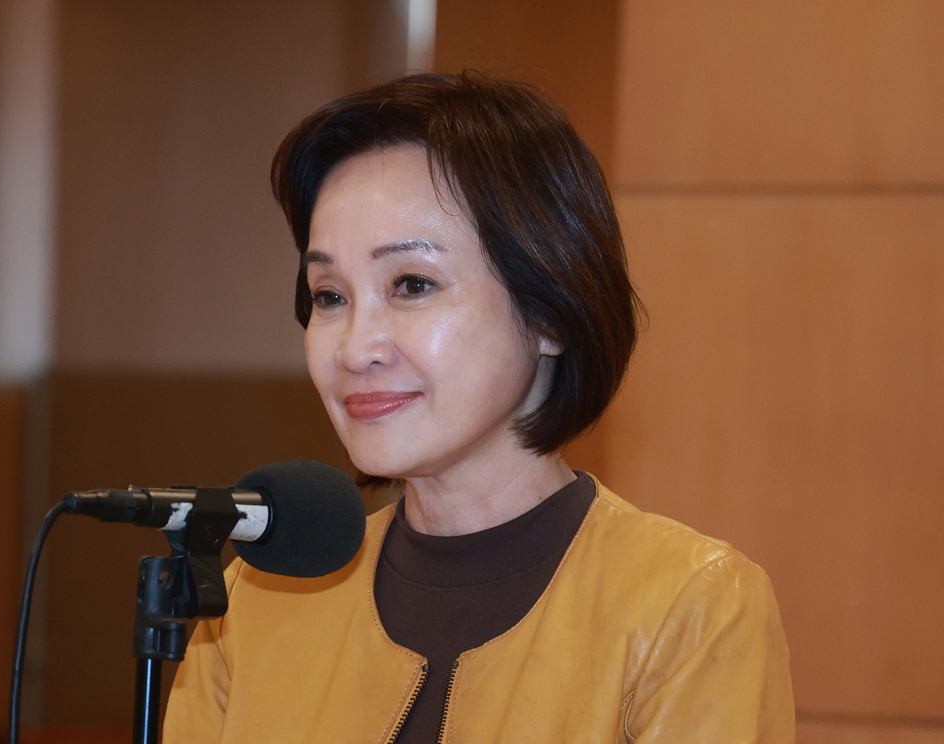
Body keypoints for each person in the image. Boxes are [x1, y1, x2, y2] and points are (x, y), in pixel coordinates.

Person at [163, 72, 794, 743]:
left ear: (551, 311)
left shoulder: (689, 605)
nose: (355, 348)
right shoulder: (258, 597)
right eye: (329, 296)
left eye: (412, 284)